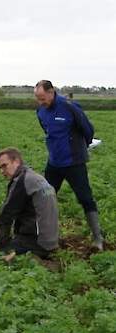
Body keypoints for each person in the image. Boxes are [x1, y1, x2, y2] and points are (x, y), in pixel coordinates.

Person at [34, 79, 104, 250]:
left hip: (74, 162)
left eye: (42, 98)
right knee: (46, 198)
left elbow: (88, 129)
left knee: (85, 198)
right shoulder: (40, 111)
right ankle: (45, 238)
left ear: (51, 92)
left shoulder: (69, 107)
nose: (40, 102)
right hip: (54, 163)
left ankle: (98, 238)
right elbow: (47, 130)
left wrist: (81, 147)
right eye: (38, 98)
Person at [0, 147, 59, 259]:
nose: (2, 171)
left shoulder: (22, 181)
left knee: (2, 251)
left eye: (5, 166)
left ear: (17, 161)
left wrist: (3, 245)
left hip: (39, 242)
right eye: (0, 168)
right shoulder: (35, 177)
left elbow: (6, 214)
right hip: (52, 239)